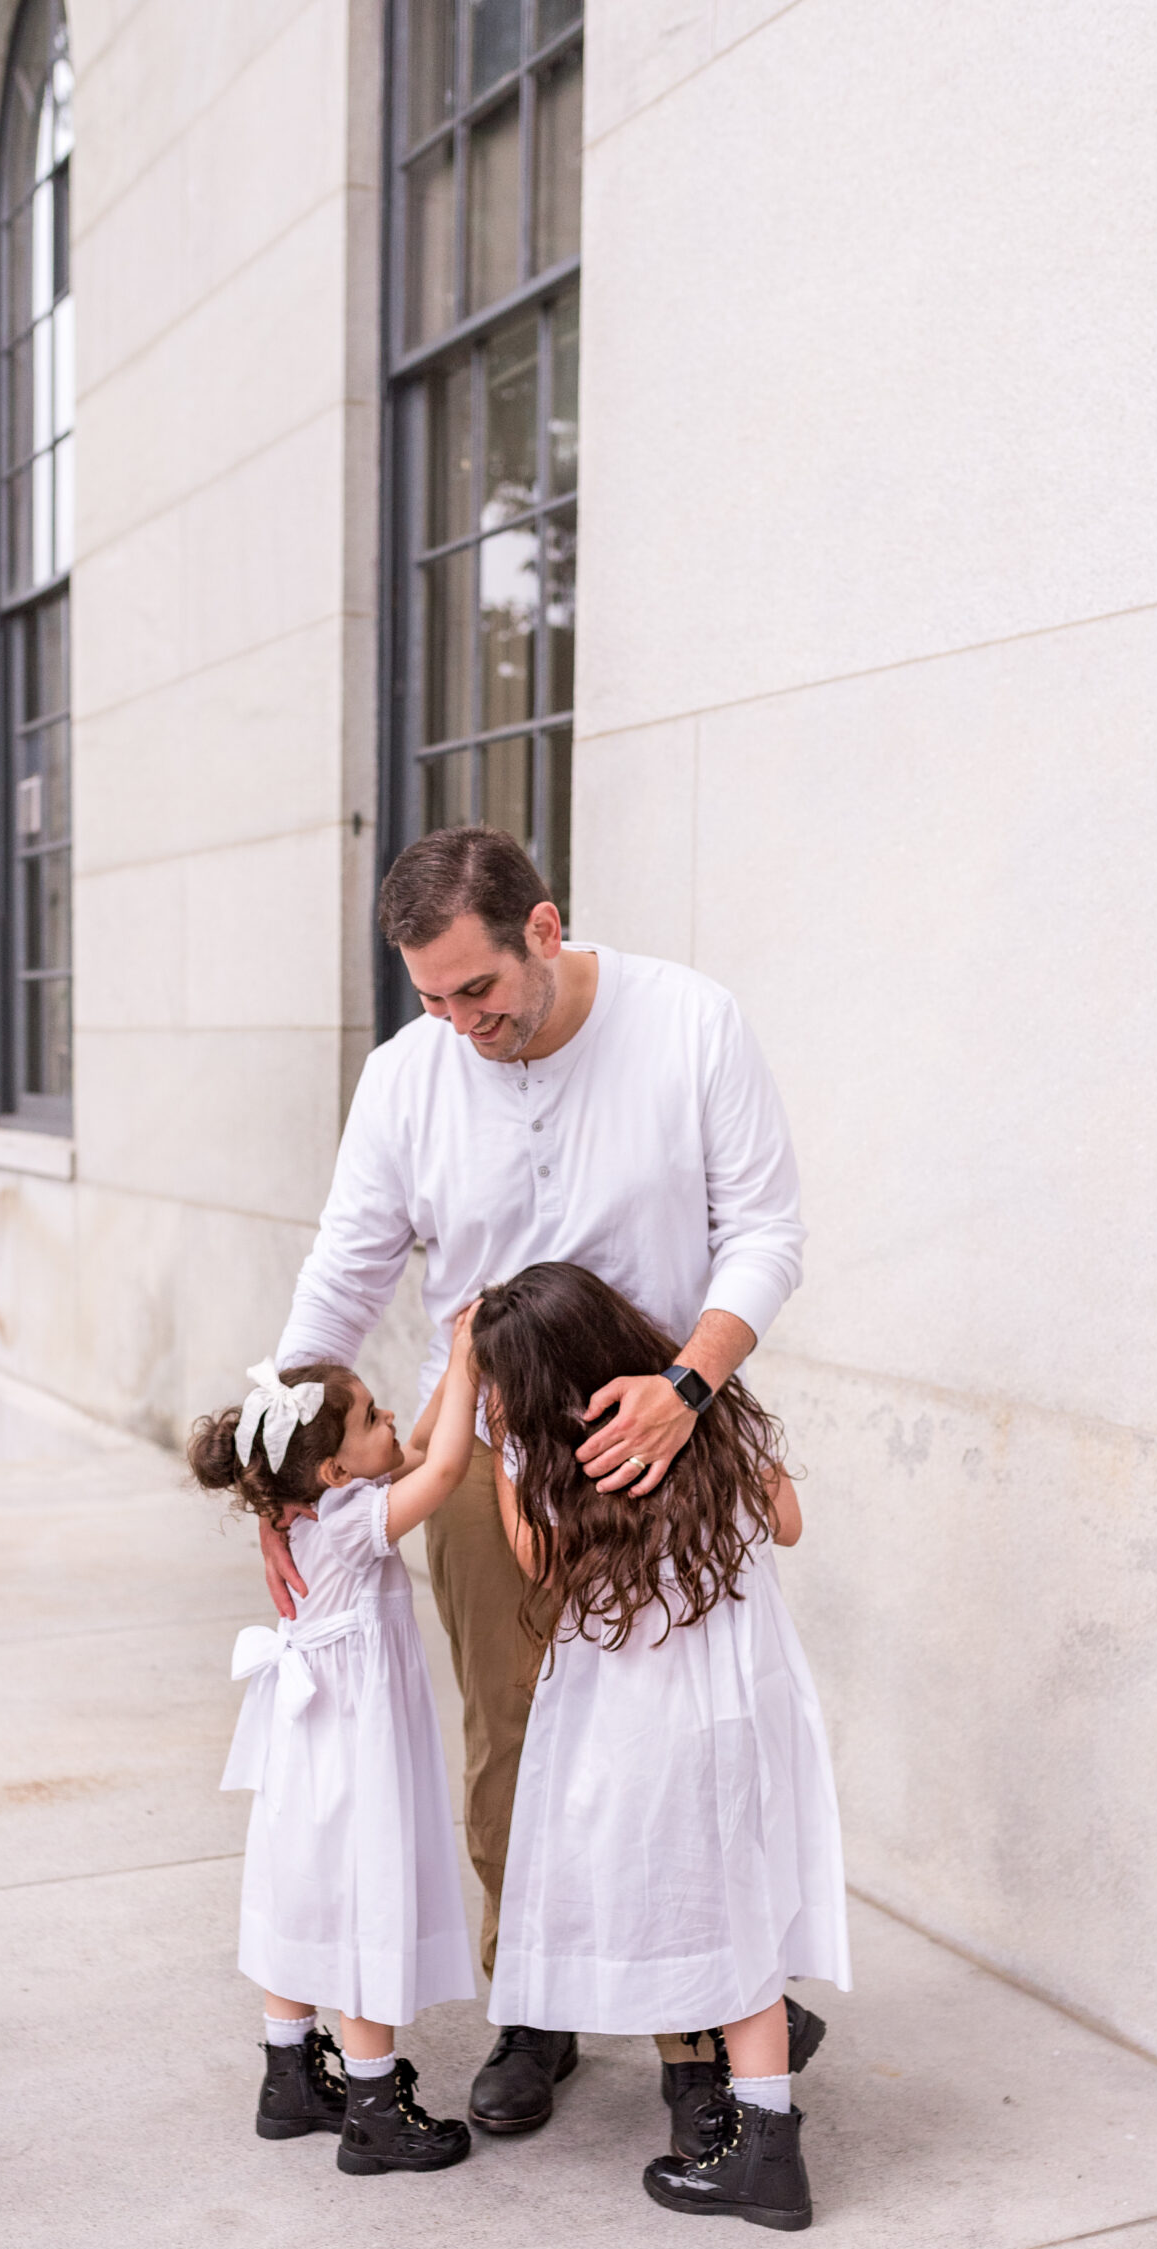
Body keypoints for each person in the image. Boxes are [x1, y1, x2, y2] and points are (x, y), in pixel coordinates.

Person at [268, 824, 823, 2149]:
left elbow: (765, 1231)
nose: (462, 1024)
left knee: (675, 1745)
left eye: (479, 991)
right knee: (510, 1729)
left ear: (545, 928)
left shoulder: (689, 1024)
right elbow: (343, 1274)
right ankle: (537, 2002)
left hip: (662, 1427)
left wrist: (688, 1390)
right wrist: (276, 1478)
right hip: (483, 1448)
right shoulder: (409, 1079)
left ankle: (704, 2034)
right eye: (432, 999)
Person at [473, 1262, 850, 2231]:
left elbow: (537, 1561)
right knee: (737, 1910)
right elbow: (790, 1524)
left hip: (640, 1730)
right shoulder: (711, 1413)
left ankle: (764, 2156)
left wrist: (506, 1456)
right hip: (740, 1708)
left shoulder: (551, 1457)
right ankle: (760, 2111)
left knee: (679, 1909)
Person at [188, 1318, 481, 2178]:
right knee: (363, 1901)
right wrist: (465, 1359)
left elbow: (422, 1439)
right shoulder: (355, 1525)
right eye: (369, 1419)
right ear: (332, 1469)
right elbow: (449, 1465)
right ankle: (373, 2108)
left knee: (302, 1891)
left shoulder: (321, 1508)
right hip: (355, 1752)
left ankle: (288, 2079)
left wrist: (447, 1390)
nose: (389, 1418)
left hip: (304, 1748)